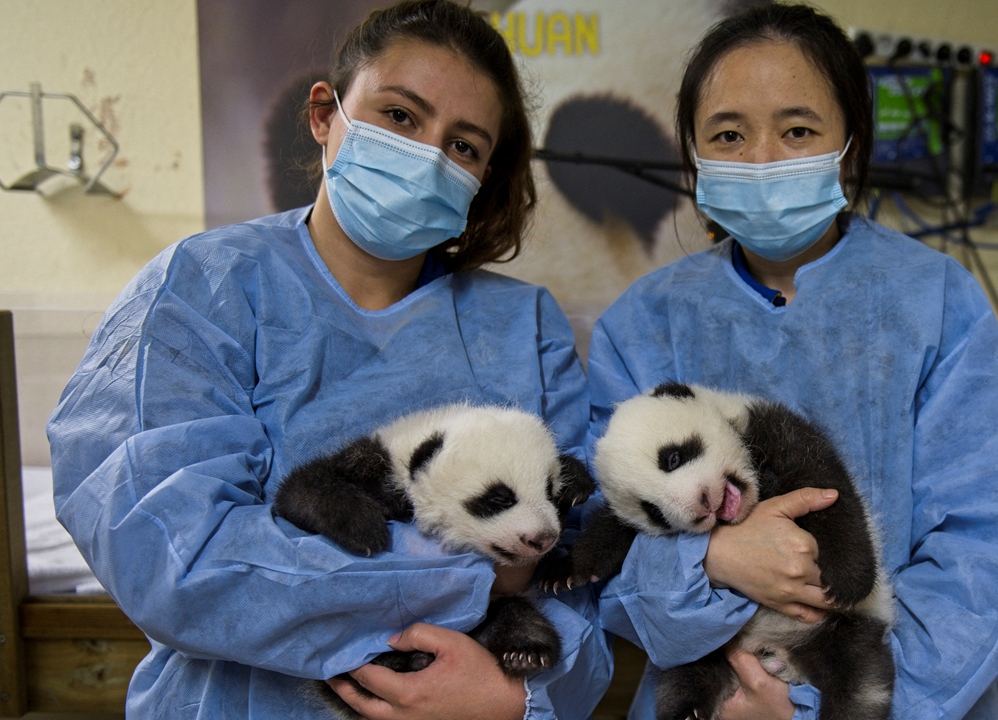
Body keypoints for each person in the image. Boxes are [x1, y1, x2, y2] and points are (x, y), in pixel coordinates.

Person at [47, 2, 611, 718]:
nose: (427, 156)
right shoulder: (200, 288)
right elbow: (170, 557)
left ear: (483, 175)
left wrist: (514, 695)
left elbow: (578, 582)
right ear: (324, 114)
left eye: (463, 146)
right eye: (401, 117)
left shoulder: (522, 326)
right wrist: (475, 576)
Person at [588, 4, 998, 719]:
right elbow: (602, 552)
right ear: (694, 156)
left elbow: (996, 550)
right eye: (729, 134)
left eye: (798, 129)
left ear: (852, 146)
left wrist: (833, 703)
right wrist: (707, 563)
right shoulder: (643, 325)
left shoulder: (936, 304)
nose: (764, 158)